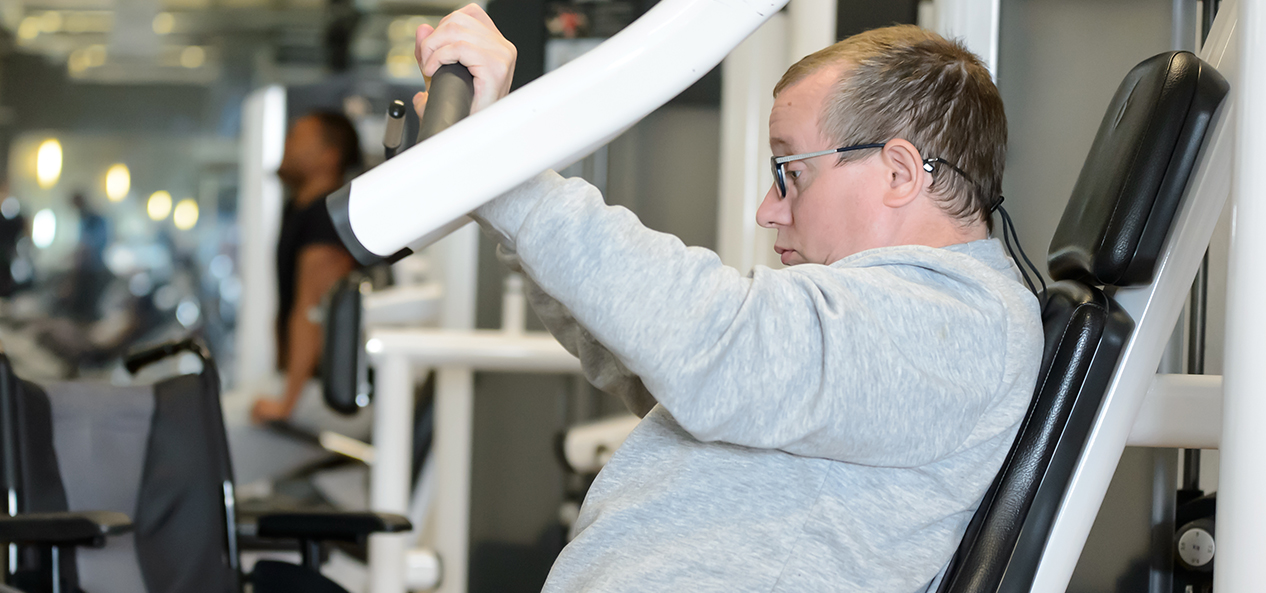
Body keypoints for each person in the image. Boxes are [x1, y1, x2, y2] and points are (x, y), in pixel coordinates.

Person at [416, 5, 1043, 592]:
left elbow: (718, 345)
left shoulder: (962, 318)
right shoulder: (885, 317)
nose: (769, 211)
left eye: (791, 174)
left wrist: (496, 161)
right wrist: (493, 199)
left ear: (901, 173)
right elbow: (651, 360)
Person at [251, 112, 361, 424]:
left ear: (330, 156)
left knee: (218, 437)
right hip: (304, 383)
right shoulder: (298, 211)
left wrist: (287, 402)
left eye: (297, 137)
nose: (287, 145)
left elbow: (312, 313)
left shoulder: (327, 217)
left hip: (326, 391)